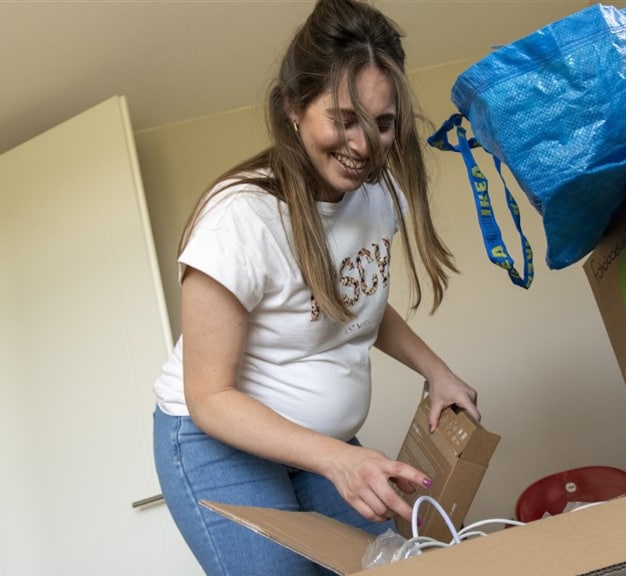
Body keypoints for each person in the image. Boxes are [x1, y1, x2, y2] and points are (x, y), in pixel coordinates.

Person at [151, 1, 480, 574]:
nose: (366, 146)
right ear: (293, 110)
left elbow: (357, 302)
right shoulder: (240, 220)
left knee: (393, 563)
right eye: (344, 120)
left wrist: (437, 371)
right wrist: (339, 461)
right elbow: (210, 398)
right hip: (215, 438)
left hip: (318, 444)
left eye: (382, 123)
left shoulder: (379, 195)